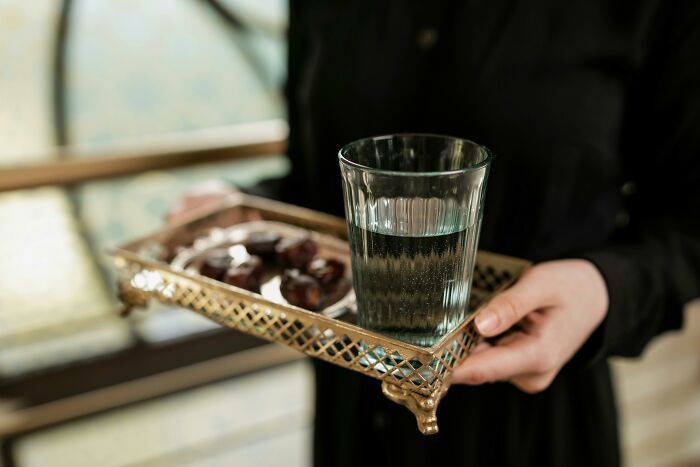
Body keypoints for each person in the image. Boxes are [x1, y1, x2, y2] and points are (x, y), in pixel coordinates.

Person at [172, 1, 700, 465]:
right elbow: (318, 181)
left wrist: (603, 286)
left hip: (533, 422)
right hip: (354, 409)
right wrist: (248, 207)